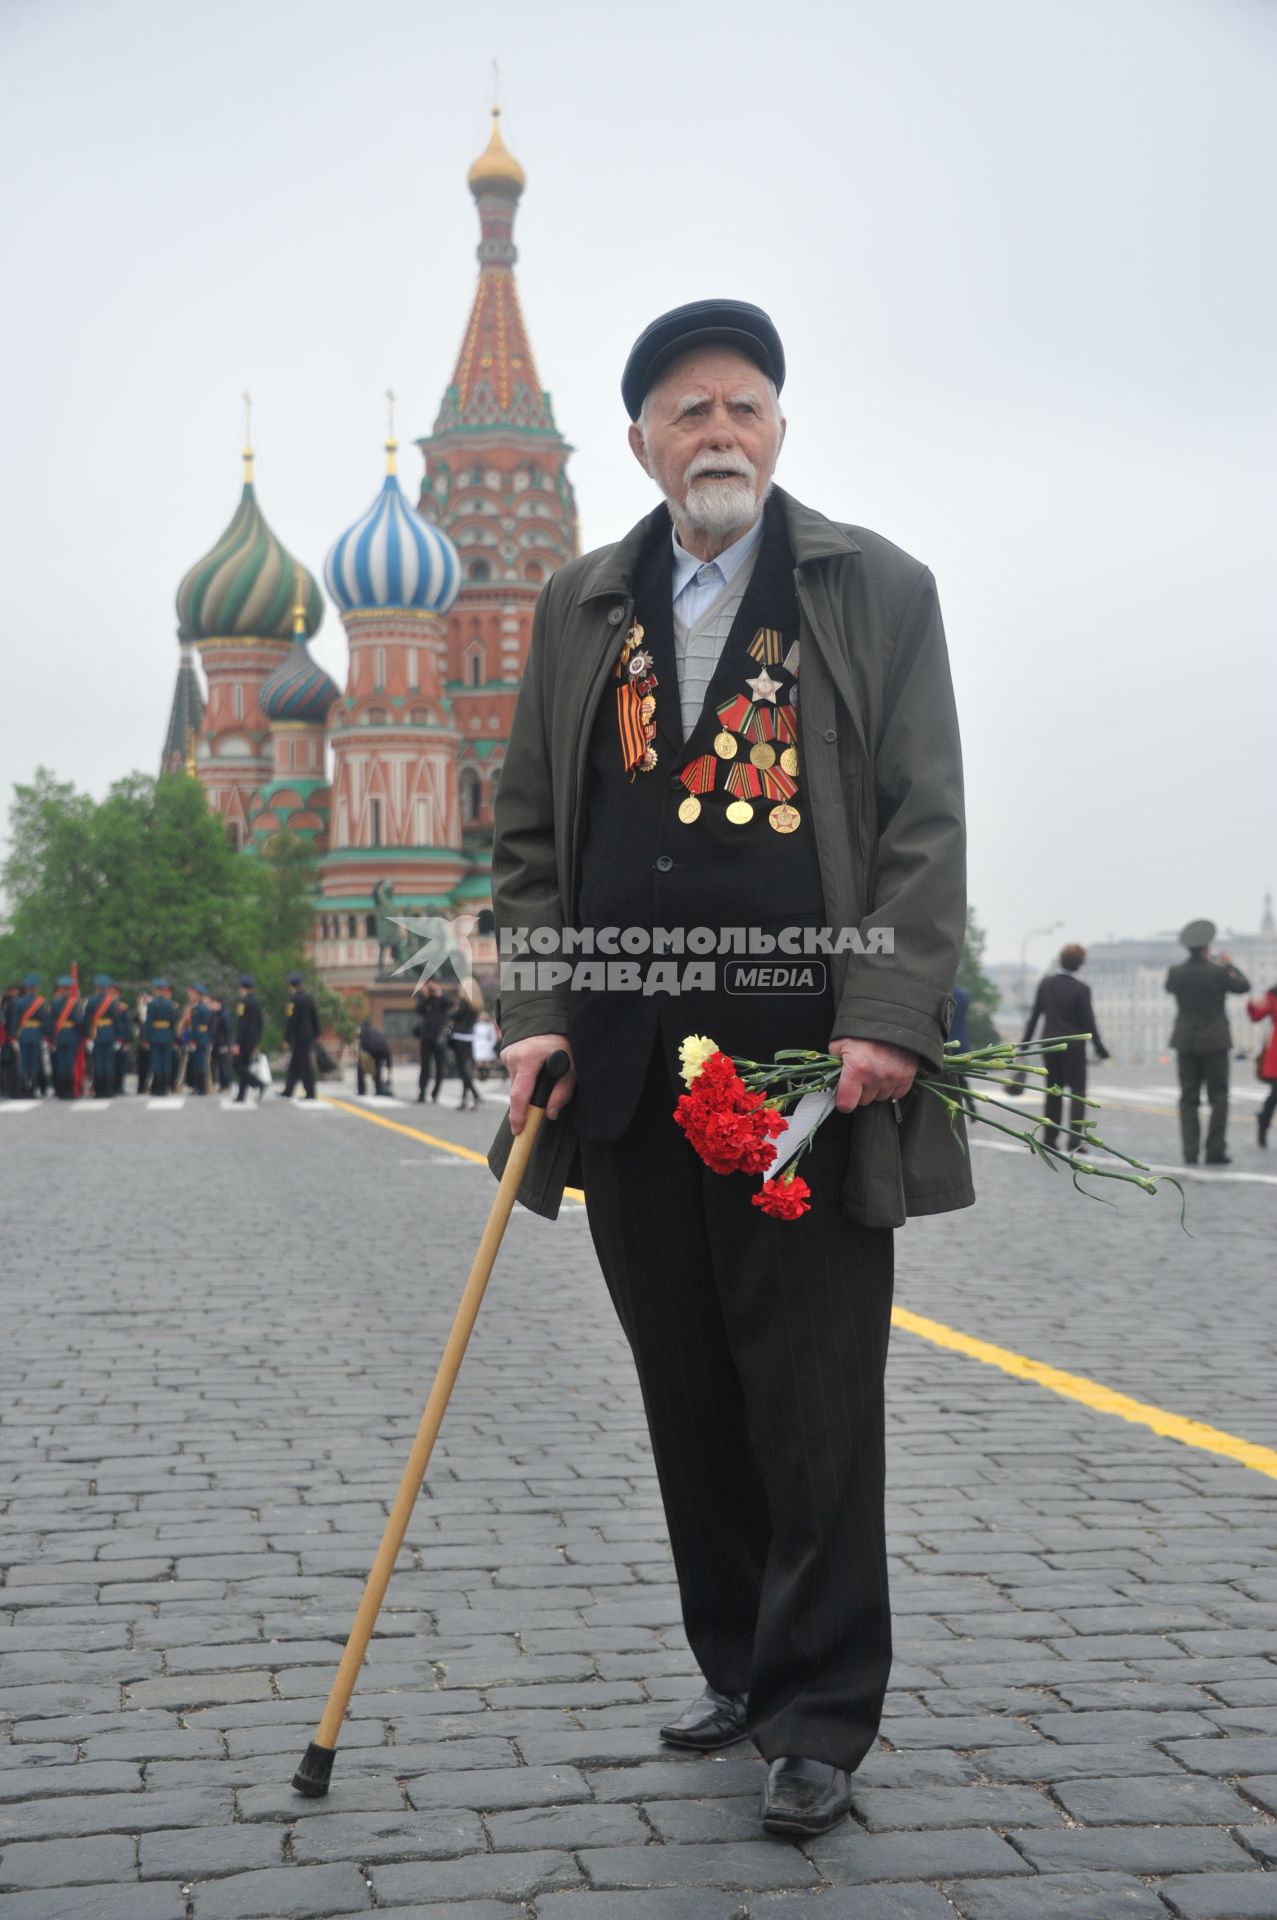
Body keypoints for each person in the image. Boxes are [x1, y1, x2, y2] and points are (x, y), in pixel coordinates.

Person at [490, 300, 969, 1838]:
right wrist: (538, 1012)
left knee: (813, 1398)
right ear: (641, 441)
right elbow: (526, 850)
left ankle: (820, 1712)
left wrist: (888, 1011)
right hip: (625, 1072)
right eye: (688, 411)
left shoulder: (871, 588)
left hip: (800, 1073)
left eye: (744, 407)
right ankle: (739, 1663)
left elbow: (920, 820)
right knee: (686, 1386)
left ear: (779, 429)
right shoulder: (580, 605)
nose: (719, 434)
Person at [1165, 918, 1249, 1165]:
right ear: (1207, 947)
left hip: (1186, 1041)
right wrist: (1228, 963)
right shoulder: (1219, 971)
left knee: (1188, 1098)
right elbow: (1244, 986)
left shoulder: (1176, 973)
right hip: (1215, 1042)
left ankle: (1190, 1151)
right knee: (1219, 1097)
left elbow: (1170, 987)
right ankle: (1215, 1150)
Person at [1022, 942, 1110, 1152]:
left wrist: (1025, 1043)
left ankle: (1049, 1138)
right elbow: (1089, 1022)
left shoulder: (1046, 983)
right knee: (1077, 1092)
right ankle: (1074, 1140)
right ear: (1080, 963)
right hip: (1074, 1045)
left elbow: (1035, 1016)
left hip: (1050, 1043)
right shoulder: (1081, 989)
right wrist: (1099, 1047)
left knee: (1053, 1090)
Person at [1247, 983, 1277, 1148]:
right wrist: (1253, 1004)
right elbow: (1257, 1016)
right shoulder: (1273, 995)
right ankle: (1263, 1123)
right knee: (1275, 1094)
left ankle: (1263, 1122)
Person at [282, 971, 320, 1099]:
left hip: (299, 1037)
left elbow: (290, 1021)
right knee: (295, 1065)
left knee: (305, 1066)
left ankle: (310, 1092)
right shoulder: (309, 998)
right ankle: (288, 1090)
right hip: (308, 1036)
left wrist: (287, 1039)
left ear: (291, 986)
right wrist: (316, 1034)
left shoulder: (292, 1001)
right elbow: (315, 1018)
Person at [84, 973, 122, 1098]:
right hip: (110, 1033)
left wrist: (88, 1038)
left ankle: (99, 1091)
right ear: (107, 988)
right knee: (109, 1064)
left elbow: (87, 1021)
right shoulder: (112, 1002)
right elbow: (117, 1021)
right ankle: (109, 1090)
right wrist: (118, 1038)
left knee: (98, 1064)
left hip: (96, 1034)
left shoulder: (91, 1001)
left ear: (97, 988)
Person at [447, 981, 483, 1111]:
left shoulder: (464, 1002)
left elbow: (454, 1016)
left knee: (463, 1070)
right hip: (469, 1037)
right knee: (466, 1069)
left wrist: (451, 1012)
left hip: (459, 1037)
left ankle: (475, 1095)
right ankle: (464, 1100)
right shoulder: (476, 1004)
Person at [10, 974, 48, 1097]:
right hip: (36, 1034)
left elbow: (15, 1021)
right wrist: (47, 1035)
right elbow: (45, 1021)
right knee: (35, 1062)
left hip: (23, 1034)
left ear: (26, 989)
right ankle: (34, 1088)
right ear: (35, 988)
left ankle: (26, 1088)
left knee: (24, 1062)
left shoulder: (18, 1002)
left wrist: (13, 1036)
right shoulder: (40, 1002)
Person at [413, 980, 450, 1102]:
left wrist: (440, 993)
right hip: (426, 1036)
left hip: (439, 1037)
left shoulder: (443, 999)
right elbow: (419, 1010)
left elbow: (450, 1003)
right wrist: (424, 996)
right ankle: (422, 1092)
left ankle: (435, 1092)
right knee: (425, 1066)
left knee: (440, 1066)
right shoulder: (425, 999)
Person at [232, 973, 265, 1103]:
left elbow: (242, 1025)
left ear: (242, 988)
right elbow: (260, 1024)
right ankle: (241, 1095)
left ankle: (258, 1083)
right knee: (244, 1066)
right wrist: (257, 1041)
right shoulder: (256, 1003)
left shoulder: (243, 1003)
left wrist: (237, 1043)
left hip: (244, 1040)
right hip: (252, 1040)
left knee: (238, 1066)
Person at [144, 979, 178, 1094]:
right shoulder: (171, 1004)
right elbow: (173, 1023)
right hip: (167, 1035)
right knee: (166, 1063)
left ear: (156, 990)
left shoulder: (152, 1004)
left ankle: (158, 1088)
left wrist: (146, 1038)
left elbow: (148, 1023)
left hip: (155, 1035)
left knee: (157, 1062)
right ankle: (165, 1087)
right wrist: (173, 1038)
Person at [187, 986, 214, 1095]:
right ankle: (199, 1087)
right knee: (197, 1063)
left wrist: (194, 1039)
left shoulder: (202, 1009)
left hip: (200, 1039)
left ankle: (201, 1088)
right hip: (200, 1038)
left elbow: (202, 1027)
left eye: (192, 994)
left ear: (198, 995)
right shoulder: (197, 1008)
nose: (190, 996)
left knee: (200, 1063)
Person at [356, 1017, 392, 1097]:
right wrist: (389, 1067)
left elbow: (363, 1044)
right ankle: (380, 1090)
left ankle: (361, 1090)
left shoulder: (363, 1030)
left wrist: (362, 1059)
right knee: (377, 1069)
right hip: (385, 1051)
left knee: (360, 1068)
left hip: (372, 1049)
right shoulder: (374, 1031)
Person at [209, 996, 232, 1091]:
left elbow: (228, 1031)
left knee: (223, 1066)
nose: (212, 1006)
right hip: (215, 1043)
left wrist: (227, 1045)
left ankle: (225, 1085)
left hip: (222, 1044)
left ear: (219, 1004)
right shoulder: (215, 1015)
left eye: (213, 1004)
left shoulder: (224, 1015)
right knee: (215, 1064)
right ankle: (217, 1083)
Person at [472, 1009, 498, 1083]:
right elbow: (474, 1035)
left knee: (486, 1062)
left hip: (487, 1044)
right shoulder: (476, 1026)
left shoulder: (490, 1026)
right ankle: (481, 1076)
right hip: (478, 1044)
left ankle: (486, 1076)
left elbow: (493, 1036)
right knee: (479, 1061)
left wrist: (491, 1044)